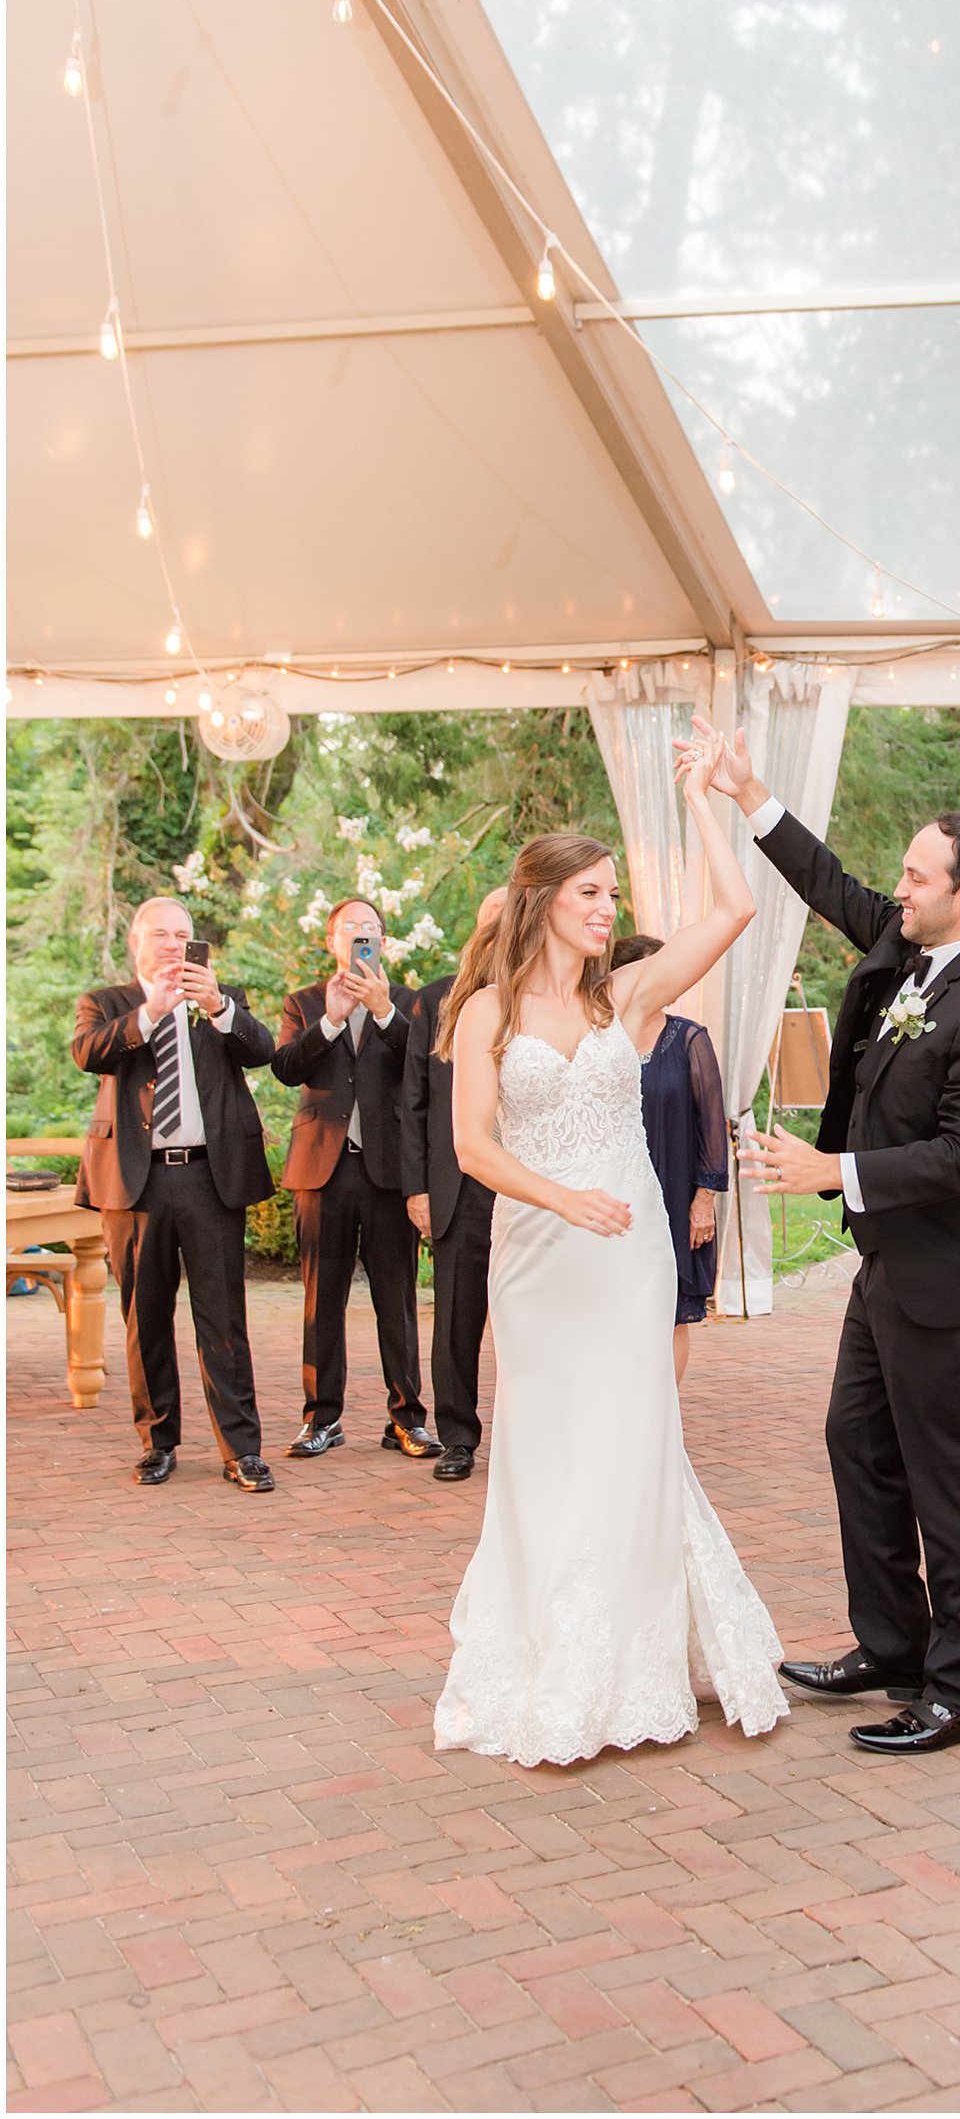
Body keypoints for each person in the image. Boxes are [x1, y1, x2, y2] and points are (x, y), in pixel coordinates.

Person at [432, 729, 787, 1767]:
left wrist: (699, 805)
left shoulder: (620, 999)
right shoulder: (488, 1010)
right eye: (588, 895)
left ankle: (631, 1654)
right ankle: (545, 1638)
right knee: (544, 1440)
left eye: (609, 895)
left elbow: (733, 911)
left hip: (626, 1253)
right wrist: (559, 1197)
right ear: (542, 900)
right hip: (539, 1257)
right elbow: (468, 1145)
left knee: (632, 1435)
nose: (605, 911)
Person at [687, 716, 960, 1757]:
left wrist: (832, 1170)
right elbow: (834, 888)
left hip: (955, 1281)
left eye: (916, 875)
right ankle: (892, 1645)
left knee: (954, 1481)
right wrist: (750, 794)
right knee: (857, 1444)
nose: (898, 887)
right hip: (888, 1265)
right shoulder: (914, 951)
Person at [73, 897, 277, 1492]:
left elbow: (262, 1052)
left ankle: (242, 1449)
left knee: (223, 1317)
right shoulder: (107, 1003)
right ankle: (158, 1441)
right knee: (146, 1317)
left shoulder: (220, 996)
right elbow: (89, 1054)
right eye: (158, 934)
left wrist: (215, 1006)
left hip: (209, 1178)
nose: (170, 943)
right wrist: (149, 1012)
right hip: (135, 1182)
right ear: (135, 942)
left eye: (181, 933)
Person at [271, 898, 441, 1462]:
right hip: (322, 1170)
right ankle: (322, 1418)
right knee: (324, 1300)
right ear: (331, 941)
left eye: (372, 929)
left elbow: (422, 1066)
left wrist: (384, 1011)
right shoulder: (302, 1003)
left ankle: (407, 1419)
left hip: (388, 1171)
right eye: (352, 929)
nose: (362, 936)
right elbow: (287, 1067)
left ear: (384, 944)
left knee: (397, 1299)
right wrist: (332, 1018)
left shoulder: (409, 1005)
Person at [400, 887, 509, 1480]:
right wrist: (417, 1187)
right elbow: (413, 1103)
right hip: (460, 1184)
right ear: (476, 925)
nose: (498, 928)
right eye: (491, 916)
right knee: (456, 1319)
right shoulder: (437, 1000)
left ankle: (533, 1435)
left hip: (528, 1184)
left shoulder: (543, 996)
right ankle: (458, 1437)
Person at [608, 934, 728, 1383]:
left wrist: (704, 1201)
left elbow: (712, 1126)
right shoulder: (601, 1039)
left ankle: (663, 1415)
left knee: (670, 1312)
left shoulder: (689, 1038)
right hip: (615, 1195)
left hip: (675, 1194)